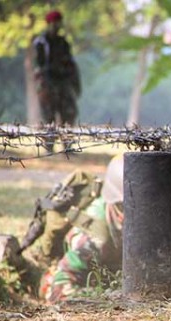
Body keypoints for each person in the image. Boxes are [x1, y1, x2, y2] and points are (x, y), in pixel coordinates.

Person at [38, 154, 124, 303]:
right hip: (78, 276)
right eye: (128, 206)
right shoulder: (94, 239)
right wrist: (104, 300)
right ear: (117, 204)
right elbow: (60, 287)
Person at [32, 10, 81, 152]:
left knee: (69, 113)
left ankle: (67, 145)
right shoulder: (41, 42)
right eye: (54, 22)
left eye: (58, 22)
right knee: (48, 116)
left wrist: (74, 84)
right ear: (49, 23)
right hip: (48, 83)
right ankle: (48, 146)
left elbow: (71, 65)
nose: (57, 25)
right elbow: (38, 66)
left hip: (63, 83)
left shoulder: (63, 43)